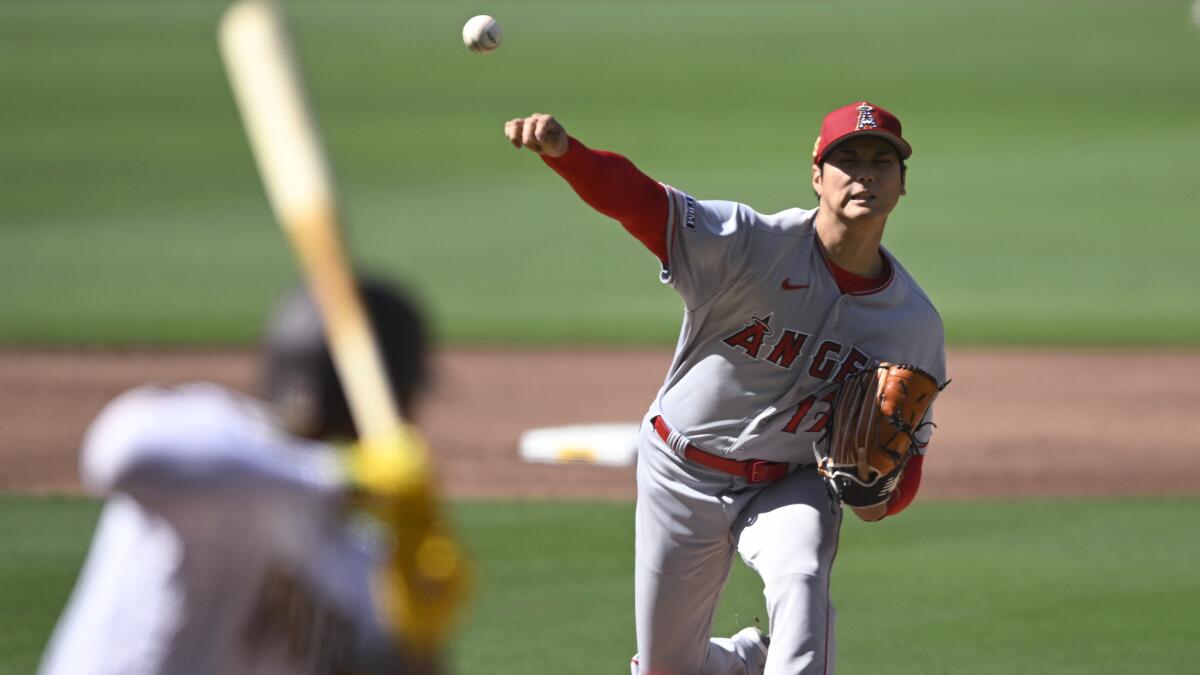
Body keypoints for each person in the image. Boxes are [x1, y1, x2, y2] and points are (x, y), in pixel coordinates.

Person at [503, 101, 947, 674]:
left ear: (902, 184)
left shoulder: (913, 325)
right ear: (816, 176)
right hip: (680, 470)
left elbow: (906, 467)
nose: (864, 174)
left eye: (881, 162)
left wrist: (878, 495)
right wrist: (568, 156)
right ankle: (745, 660)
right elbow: (644, 204)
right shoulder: (749, 244)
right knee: (669, 668)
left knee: (802, 577)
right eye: (848, 160)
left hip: (789, 482)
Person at [38, 279, 444, 675]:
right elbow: (121, 453)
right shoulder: (219, 441)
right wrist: (340, 475)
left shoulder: (364, 562)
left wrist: (422, 632)